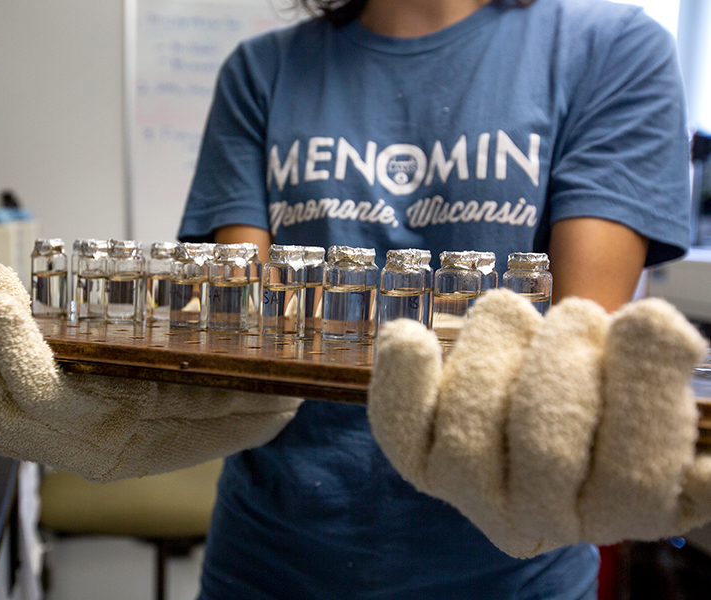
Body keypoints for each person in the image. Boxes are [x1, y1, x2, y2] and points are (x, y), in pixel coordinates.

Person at [177, 0, 691, 597]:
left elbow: (575, 351)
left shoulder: (611, 50)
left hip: (509, 566)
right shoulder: (261, 71)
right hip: (268, 559)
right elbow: (246, 344)